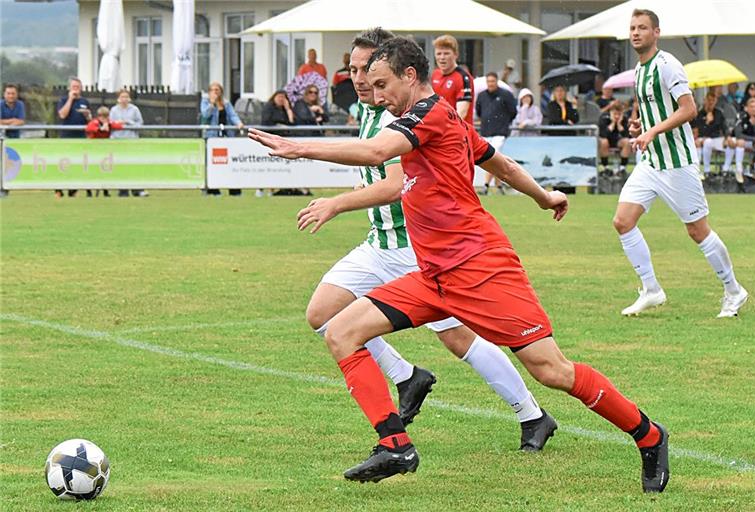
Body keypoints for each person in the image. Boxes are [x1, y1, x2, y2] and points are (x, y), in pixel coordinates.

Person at [249, 36, 669, 493]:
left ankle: (648, 436)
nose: (379, 94)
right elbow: (501, 164)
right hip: (433, 276)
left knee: (552, 371)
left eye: (383, 84)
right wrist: (544, 195)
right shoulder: (439, 115)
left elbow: (376, 154)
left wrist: (302, 149)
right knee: (341, 331)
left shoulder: (428, 114)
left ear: (410, 76)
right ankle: (395, 446)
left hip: (482, 268)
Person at [298, 26, 555, 451]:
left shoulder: (400, 112)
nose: (360, 79)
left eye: (368, 71)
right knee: (323, 313)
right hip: (379, 242)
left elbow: (396, 183)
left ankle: (532, 414)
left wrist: (336, 202)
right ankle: (407, 376)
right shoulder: (369, 109)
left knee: (458, 338)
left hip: (418, 248)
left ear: (395, 73)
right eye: (353, 70)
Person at [614, 9, 748, 318]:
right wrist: (639, 126)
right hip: (651, 161)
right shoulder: (639, 69)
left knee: (697, 231)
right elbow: (651, 110)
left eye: (642, 28)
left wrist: (651, 131)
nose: (635, 32)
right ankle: (651, 290)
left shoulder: (667, 65)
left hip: (677, 162)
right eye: (633, 27)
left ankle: (734, 291)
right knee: (623, 221)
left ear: (656, 33)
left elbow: (689, 110)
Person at [475, 71, 517, 194]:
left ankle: (486, 185)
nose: (490, 84)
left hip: (500, 131)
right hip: (486, 131)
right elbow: (479, 112)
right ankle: (499, 186)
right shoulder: (482, 95)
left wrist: (503, 121)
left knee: (492, 158)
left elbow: (513, 112)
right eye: (488, 81)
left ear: (497, 81)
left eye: (492, 81)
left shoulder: (505, 94)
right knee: (495, 160)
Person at [200, 81, 244, 196]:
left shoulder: (226, 103)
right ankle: (213, 190)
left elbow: (232, 115)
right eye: (213, 90)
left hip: (227, 137)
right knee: (213, 164)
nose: (215, 92)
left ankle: (234, 190)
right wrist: (212, 103)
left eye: (217, 90)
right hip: (212, 138)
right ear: (209, 92)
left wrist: (238, 123)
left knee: (231, 164)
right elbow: (205, 115)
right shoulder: (205, 102)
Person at [56, 77, 91, 198]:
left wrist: (88, 116)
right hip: (66, 136)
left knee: (78, 163)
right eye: (73, 87)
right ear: (69, 88)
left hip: (81, 136)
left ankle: (73, 189)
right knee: (64, 163)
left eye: (78, 87)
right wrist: (70, 99)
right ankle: (59, 189)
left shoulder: (85, 101)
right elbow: (62, 114)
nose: (76, 89)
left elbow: (90, 121)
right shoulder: (63, 100)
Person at [109, 89, 148, 198]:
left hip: (132, 141)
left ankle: (138, 190)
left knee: (134, 166)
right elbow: (110, 125)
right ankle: (123, 191)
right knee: (121, 167)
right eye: (122, 97)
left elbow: (140, 124)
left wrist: (128, 122)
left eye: (126, 97)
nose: (124, 99)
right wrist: (119, 124)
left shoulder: (134, 110)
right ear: (118, 98)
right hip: (118, 142)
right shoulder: (114, 110)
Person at [431, 34, 474, 124]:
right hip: (439, 130)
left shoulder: (463, 77)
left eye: (446, 53)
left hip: (458, 132)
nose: (442, 58)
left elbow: (462, 112)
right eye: (439, 54)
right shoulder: (435, 74)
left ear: (455, 55)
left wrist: (445, 128)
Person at [694, 91, 736, 177]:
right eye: (709, 100)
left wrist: (727, 137)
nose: (711, 102)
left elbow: (724, 127)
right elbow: (700, 132)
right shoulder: (699, 113)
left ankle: (725, 169)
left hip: (716, 139)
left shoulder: (718, 113)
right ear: (704, 100)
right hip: (703, 138)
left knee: (732, 141)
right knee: (708, 141)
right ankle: (707, 170)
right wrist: (707, 122)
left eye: (713, 100)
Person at [85, 106, 124, 198]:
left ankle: (105, 191)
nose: (104, 119)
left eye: (106, 117)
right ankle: (89, 191)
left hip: (103, 151)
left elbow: (118, 126)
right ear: (99, 117)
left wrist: (117, 123)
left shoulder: (109, 123)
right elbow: (89, 128)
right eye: (102, 117)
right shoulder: (95, 122)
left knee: (104, 170)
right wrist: (100, 129)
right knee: (92, 171)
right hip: (93, 150)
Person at [733, 97, 755, 180]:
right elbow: (738, 135)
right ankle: (739, 169)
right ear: (747, 108)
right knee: (740, 142)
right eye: (751, 107)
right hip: (740, 142)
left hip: (754, 144)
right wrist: (754, 139)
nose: (753, 109)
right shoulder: (741, 117)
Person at [598, 102, 631, 174]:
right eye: (615, 114)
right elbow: (603, 134)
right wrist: (613, 123)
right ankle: (605, 167)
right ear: (610, 112)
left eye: (619, 114)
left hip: (618, 141)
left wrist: (619, 124)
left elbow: (626, 135)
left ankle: (622, 168)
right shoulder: (604, 117)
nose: (617, 116)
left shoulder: (624, 119)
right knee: (604, 141)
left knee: (627, 142)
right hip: (606, 141)